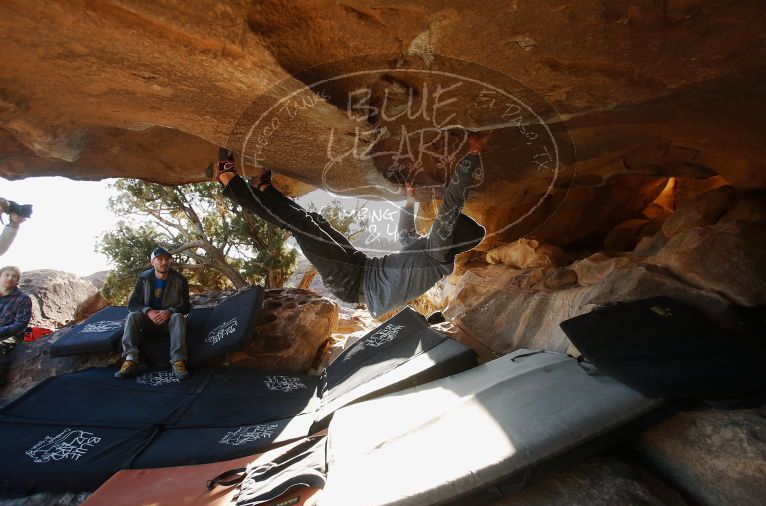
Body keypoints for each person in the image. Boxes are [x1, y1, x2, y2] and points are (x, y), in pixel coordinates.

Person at [214, 132, 488, 318]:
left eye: (449, 227)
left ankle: (231, 184)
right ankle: (265, 189)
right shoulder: (428, 252)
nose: (440, 226)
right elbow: (405, 236)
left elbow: (452, 202)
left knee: (302, 227)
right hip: (360, 266)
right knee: (313, 222)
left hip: (353, 281)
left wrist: (473, 152)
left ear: (451, 238)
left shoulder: (438, 254)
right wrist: (408, 201)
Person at [115, 247, 191, 380]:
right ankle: (130, 359)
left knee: (178, 317)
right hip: (147, 321)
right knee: (133, 316)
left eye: (167, 259)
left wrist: (170, 311)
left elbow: (186, 305)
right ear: (153, 262)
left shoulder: (180, 280)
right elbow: (132, 304)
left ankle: (178, 361)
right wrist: (148, 311)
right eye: (160, 259)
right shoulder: (144, 279)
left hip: (169, 322)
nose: (164, 262)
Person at [0, 265, 32, 388]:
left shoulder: (23, 299)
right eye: (7, 275)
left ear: (18, 280)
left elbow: (20, 324)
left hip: (12, 335)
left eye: (14, 276)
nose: (10, 278)